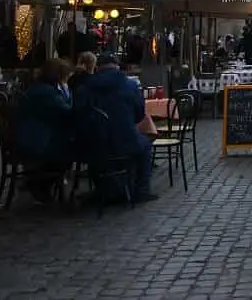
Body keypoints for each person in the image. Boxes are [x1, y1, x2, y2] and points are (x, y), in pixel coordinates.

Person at [74, 53, 156, 202]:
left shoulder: (86, 87)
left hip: (93, 144)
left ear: (98, 67)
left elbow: (79, 114)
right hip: (125, 140)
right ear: (117, 66)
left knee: (98, 151)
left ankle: (103, 188)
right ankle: (141, 190)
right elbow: (139, 115)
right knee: (145, 145)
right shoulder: (130, 86)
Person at [15, 58, 75, 203]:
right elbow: (67, 112)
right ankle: (40, 183)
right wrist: (67, 92)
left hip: (33, 136)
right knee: (72, 150)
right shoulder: (47, 93)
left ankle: (41, 181)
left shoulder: (39, 88)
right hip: (40, 140)